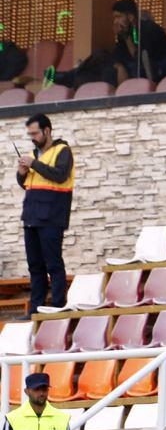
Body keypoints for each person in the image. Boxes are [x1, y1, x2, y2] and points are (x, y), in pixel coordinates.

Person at [16, 114, 73, 313]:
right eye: (30, 134)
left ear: (47, 131)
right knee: (35, 266)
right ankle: (36, 310)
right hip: (31, 216)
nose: (32, 137)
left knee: (53, 264)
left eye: (35, 133)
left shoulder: (63, 151)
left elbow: (60, 175)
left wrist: (34, 164)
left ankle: (57, 307)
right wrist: (22, 172)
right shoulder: (34, 154)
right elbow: (26, 184)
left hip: (52, 216)